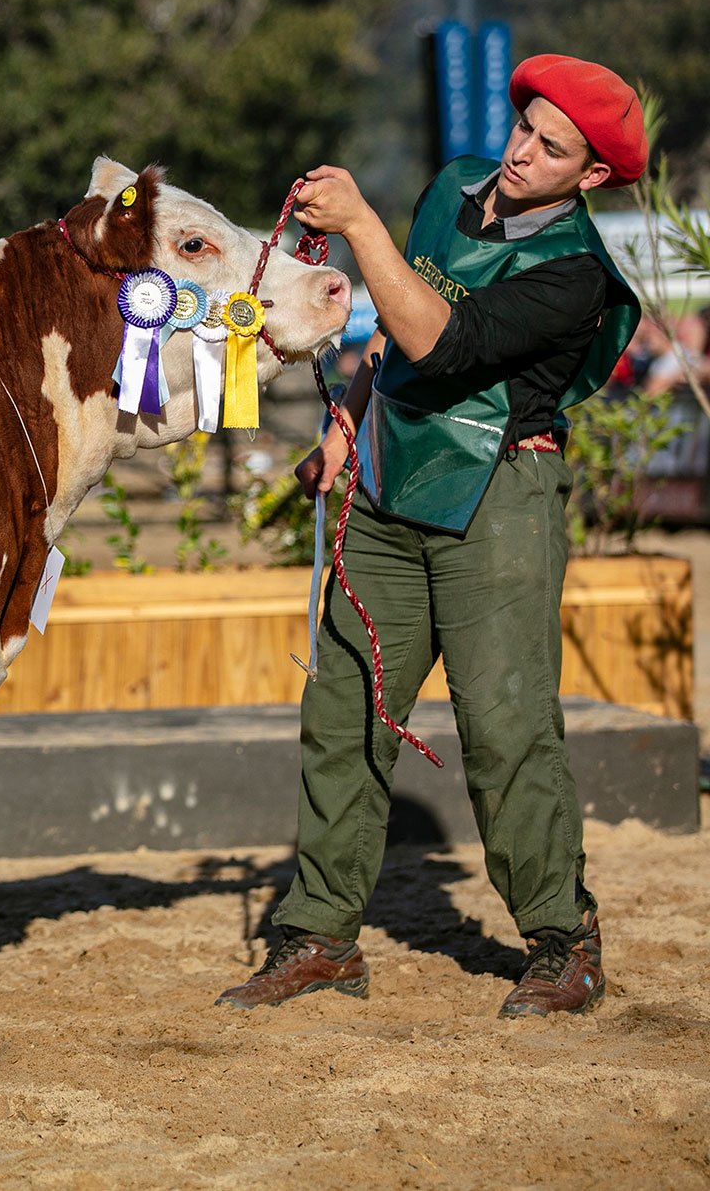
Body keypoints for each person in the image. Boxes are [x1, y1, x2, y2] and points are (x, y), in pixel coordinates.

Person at [217, 55, 645, 1019]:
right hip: (387, 483)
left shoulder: (575, 273)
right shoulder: (454, 183)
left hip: (499, 497)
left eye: (552, 148)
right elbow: (387, 334)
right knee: (344, 713)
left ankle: (562, 939)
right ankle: (320, 935)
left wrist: (361, 224)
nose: (521, 153)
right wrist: (342, 424)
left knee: (504, 729)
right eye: (525, 127)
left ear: (593, 177)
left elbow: (441, 344)